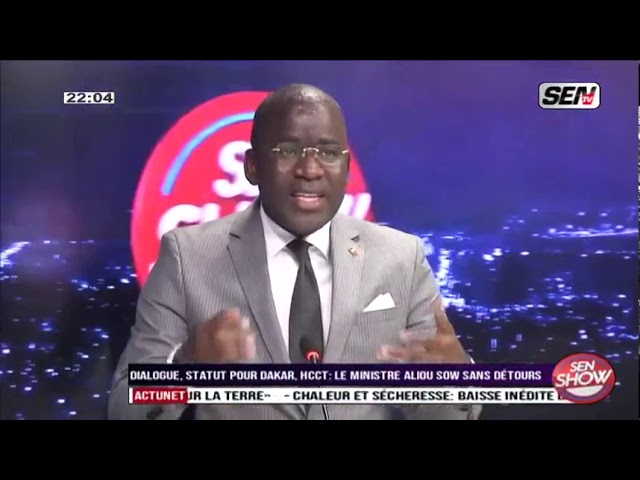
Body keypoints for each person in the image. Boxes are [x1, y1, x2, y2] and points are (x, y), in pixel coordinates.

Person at [108, 83, 481, 420]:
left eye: (329, 152)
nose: (310, 169)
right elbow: (125, 409)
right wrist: (186, 366)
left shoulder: (401, 257)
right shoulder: (186, 256)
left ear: (347, 168)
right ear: (253, 167)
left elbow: (452, 413)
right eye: (288, 151)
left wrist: (453, 382)